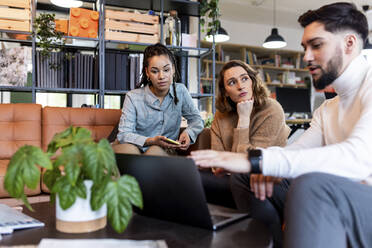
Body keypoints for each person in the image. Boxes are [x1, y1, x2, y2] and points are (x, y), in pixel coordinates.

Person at [190, 2, 372, 248]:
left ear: (349, 43)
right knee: (248, 177)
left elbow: (360, 157)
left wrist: (255, 160)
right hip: (343, 191)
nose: (306, 57)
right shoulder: (327, 109)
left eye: (316, 45)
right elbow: (297, 151)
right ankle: (269, 242)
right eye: (305, 47)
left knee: (311, 185)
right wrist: (259, 164)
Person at [200, 60, 290, 208]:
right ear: (225, 92)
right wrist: (229, 163)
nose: (240, 86)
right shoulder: (221, 115)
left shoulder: (271, 109)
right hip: (228, 177)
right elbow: (217, 164)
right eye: (232, 82)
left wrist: (243, 119)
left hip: (264, 179)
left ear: (252, 82)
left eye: (244, 78)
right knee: (192, 179)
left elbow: (251, 163)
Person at [114, 43, 203, 156]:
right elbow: (124, 134)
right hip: (134, 147)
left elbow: (197, 120)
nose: (161, 76)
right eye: (155, 71)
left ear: (173, 69)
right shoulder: (133, 97)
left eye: (166, 70)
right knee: (130, 152)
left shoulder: (180, 91)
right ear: (147, 73)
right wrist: (151, 141)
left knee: (154, 152)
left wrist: (188, 133)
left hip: (164, 151)